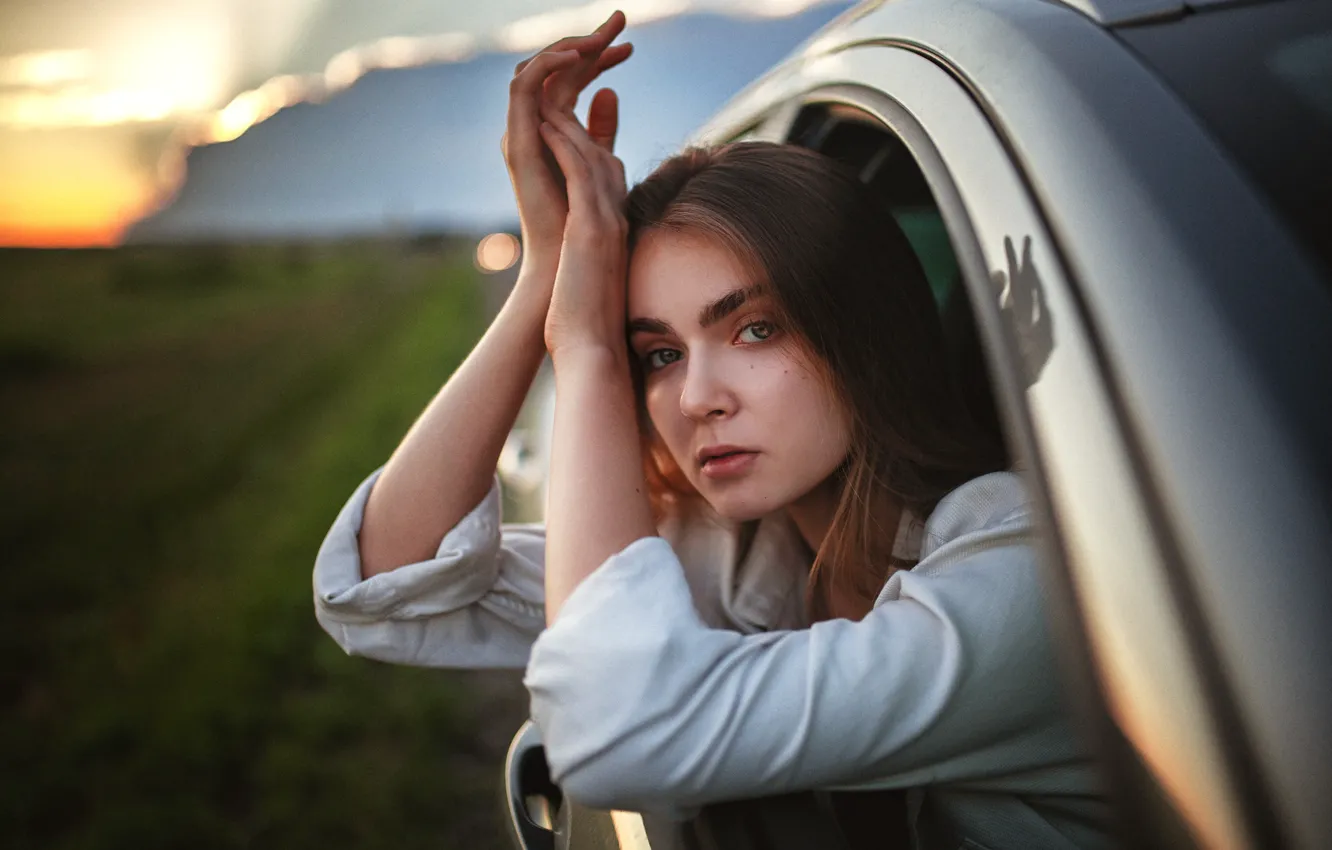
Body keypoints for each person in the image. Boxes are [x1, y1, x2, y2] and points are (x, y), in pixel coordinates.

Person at [312, 10, 1111, 849]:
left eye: (755, 330)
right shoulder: (730, 549)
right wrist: (547, 275)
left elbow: (619, 734)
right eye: (656, 353)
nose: (695, 397)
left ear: (864, 334)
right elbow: (383, 587)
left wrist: (587, 349)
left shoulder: (1022, 579)